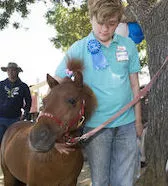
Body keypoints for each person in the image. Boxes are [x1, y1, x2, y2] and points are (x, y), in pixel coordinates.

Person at [55, 0, 143, 185]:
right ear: (91, 18)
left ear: (118, 22)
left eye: (111, 24)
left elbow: (135, 85)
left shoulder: (128, 45)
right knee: (101, 181)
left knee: (125, 181)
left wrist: (137, 121)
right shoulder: (79, 48)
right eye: (100, 23)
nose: (105, 29)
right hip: (96, 129)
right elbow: (58, 81)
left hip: (127, 125)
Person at [0, 62, 32, 143]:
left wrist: (25, 114)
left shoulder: (23, 86)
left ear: (17, 71)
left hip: (16, 119)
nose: (10, 72)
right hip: (1, 118)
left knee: (14, 142)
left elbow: (28, 101)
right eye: (8, 70)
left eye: (13, 70)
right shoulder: (1, 84)